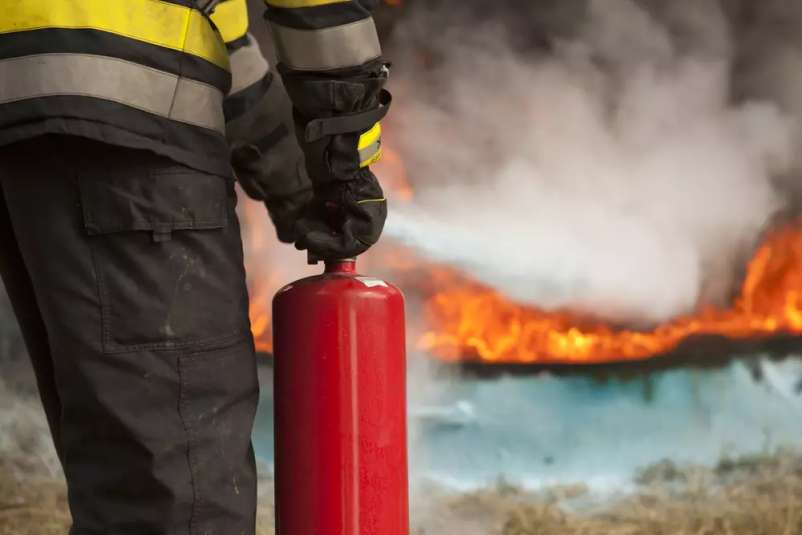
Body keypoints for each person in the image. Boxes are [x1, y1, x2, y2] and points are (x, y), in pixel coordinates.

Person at [0, 0, 390, 533]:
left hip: (30, 110)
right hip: (130, 136)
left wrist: (296, 177)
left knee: (124, 474)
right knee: (179, 497)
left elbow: (211, 33)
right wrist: (348, 162)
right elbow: (321, 13)